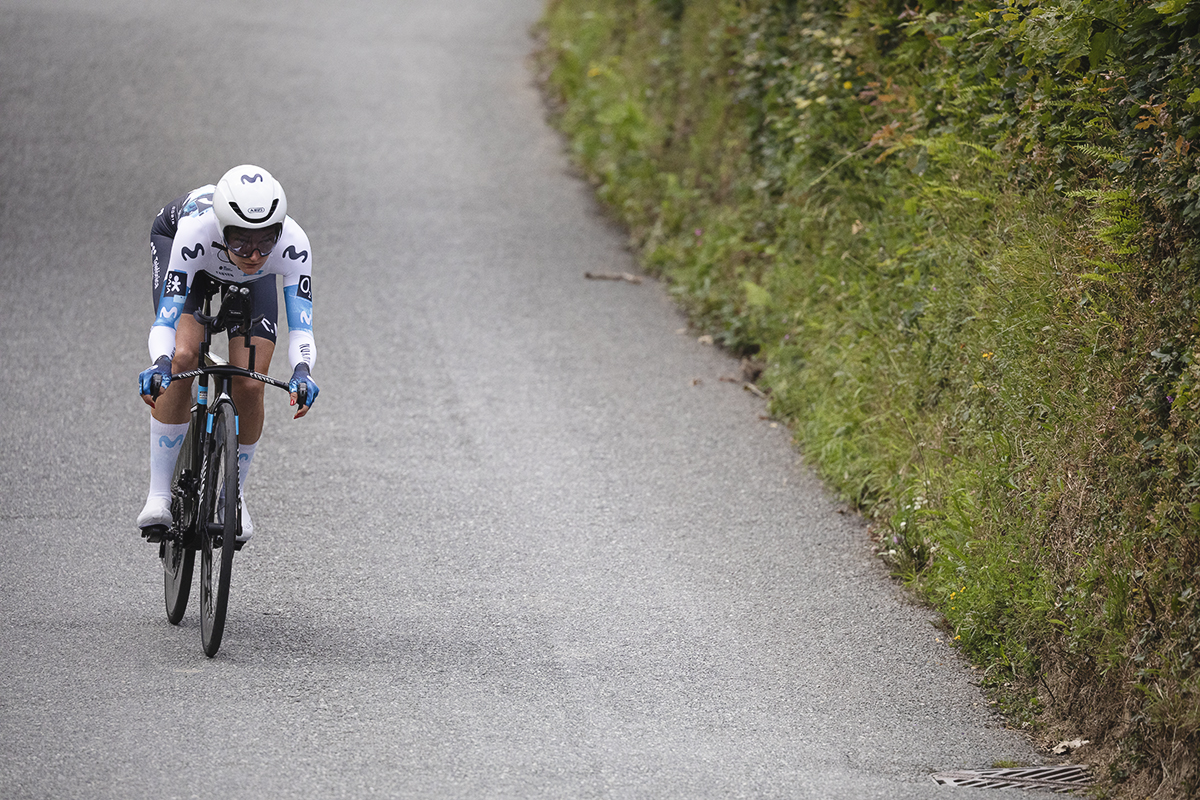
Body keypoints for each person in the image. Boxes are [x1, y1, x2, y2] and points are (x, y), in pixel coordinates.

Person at [136, 164, 319, 544]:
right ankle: (158, 495)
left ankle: (230, 496)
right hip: (191, 257)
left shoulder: (294, 245)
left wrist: (303, 370)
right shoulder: (194, 232)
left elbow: (302, 330)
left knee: (250, 383)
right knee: (184, 356)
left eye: (265, 242)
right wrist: (161, 362)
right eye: (240, 243)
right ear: (222, 229)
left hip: (251, 287)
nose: (253, 254)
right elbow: (165, 321)